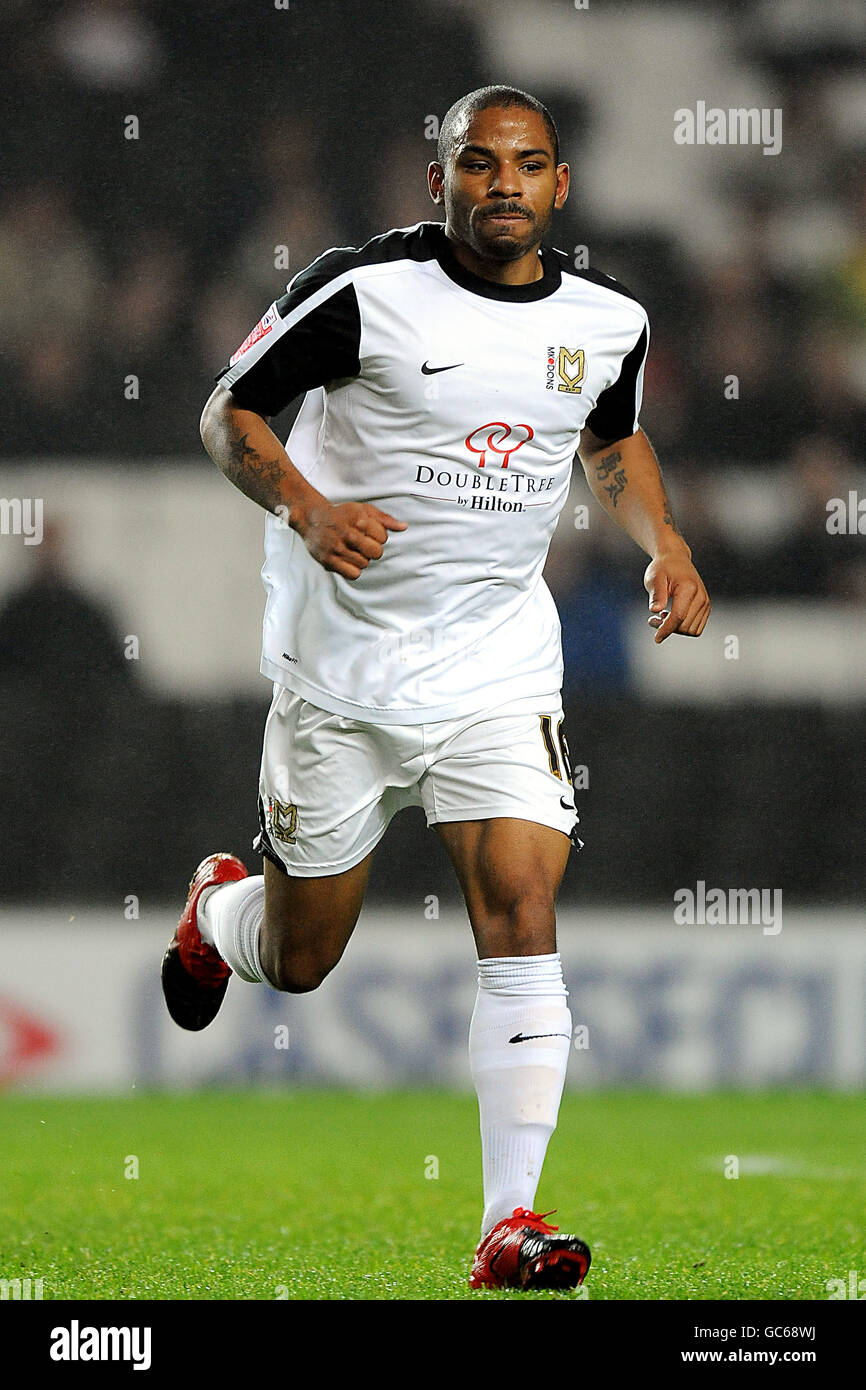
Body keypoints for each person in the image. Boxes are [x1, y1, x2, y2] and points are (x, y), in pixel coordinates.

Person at [161, 85, 710, 1292]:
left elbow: (609, 443)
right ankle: (218, 914)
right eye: (476, 163)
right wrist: (305, 508)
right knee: (302, 958)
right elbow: (226, 412)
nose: (500, 182)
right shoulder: (362, 291)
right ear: (438, 183)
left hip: (496, 663)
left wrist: (661, 543)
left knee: (521, 900)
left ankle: (508, 1220)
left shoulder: (607, 319)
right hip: (340, 673)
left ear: (559, 186)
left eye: (524, 164)